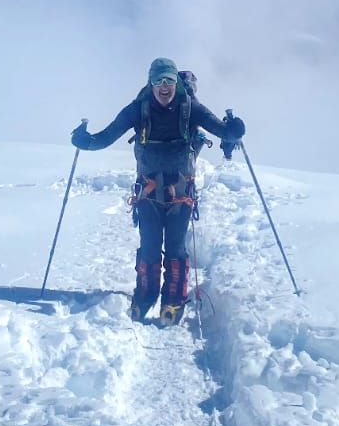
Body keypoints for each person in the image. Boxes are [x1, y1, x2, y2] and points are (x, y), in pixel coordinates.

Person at [71, 58, 245, 324]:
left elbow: (221, 130)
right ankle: (146, 294)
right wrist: (88, 141)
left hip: (179, 191)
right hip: (149, 192)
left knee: (175, 246)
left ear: (176, 82)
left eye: (169, 80)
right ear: (150, 83)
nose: (164, 86)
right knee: (150, 246)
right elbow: (106, 137)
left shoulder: (190, 107)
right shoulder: (137, 109)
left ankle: (173, 299)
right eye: (158, 81)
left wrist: (231, 132)